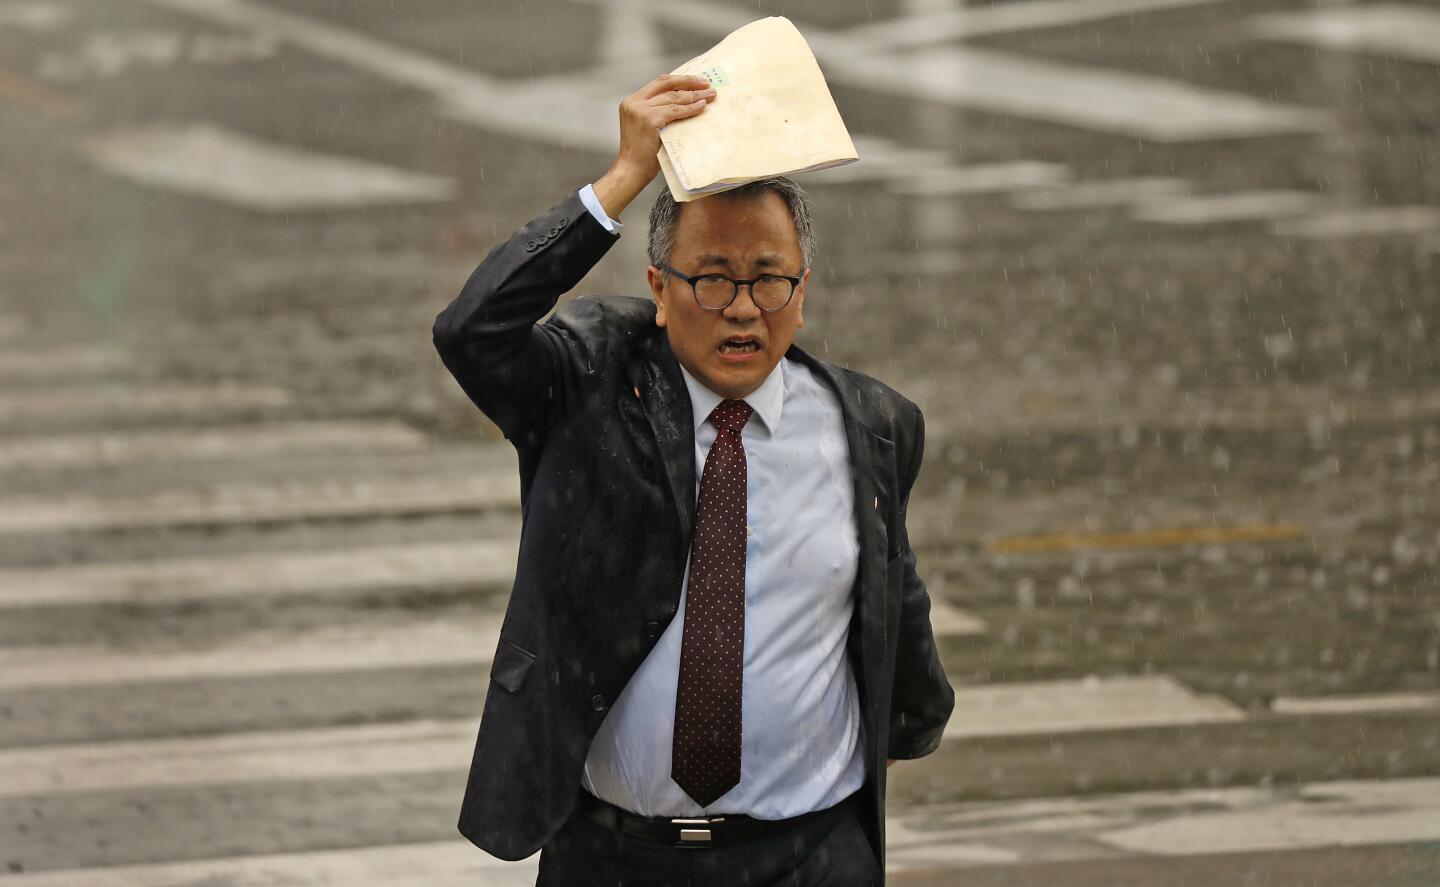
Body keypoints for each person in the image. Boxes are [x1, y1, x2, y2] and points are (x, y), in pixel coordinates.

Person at [432, 72, 955, 885]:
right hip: (615, 857)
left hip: (809, 856)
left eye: (769, 278)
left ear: (803, 292)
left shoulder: (873, 426)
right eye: (711, 278)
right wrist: (621, 181)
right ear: (660, 292)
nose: (743, 307)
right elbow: (473, 332)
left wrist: (909, 723)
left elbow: (891, 601)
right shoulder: (591, 392)